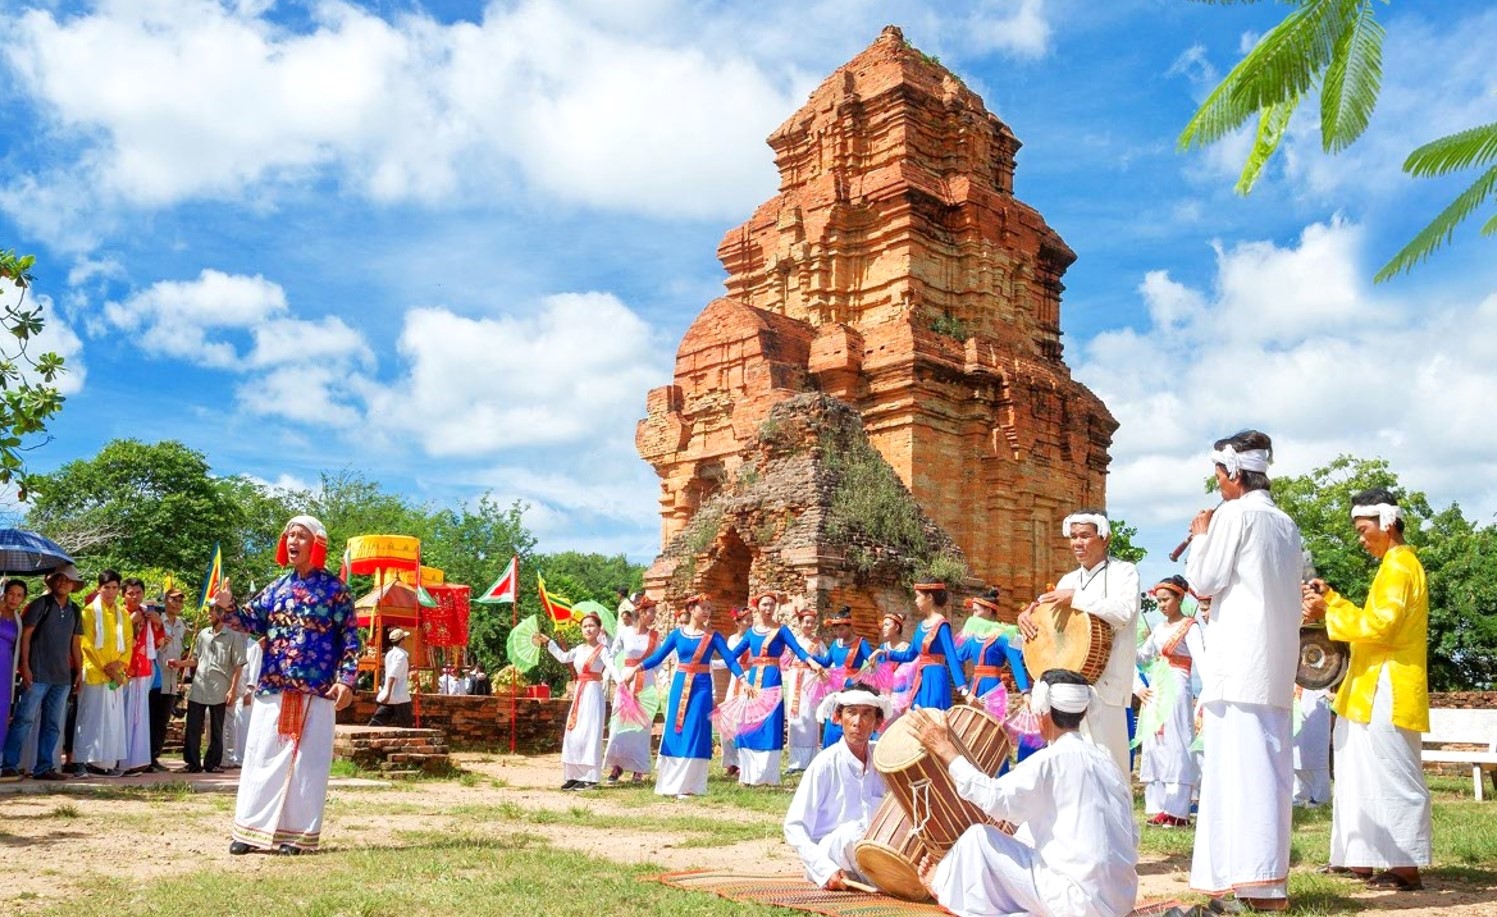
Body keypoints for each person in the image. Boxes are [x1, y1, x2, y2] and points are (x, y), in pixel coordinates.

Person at [1185, 430, 1303, 911]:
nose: (1216, 484)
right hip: (1272, 664)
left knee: (1240, 775)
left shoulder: (1234, 515)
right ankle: (1259, 884)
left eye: (1217, 474)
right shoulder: (1286, 522)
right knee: (1266, 774)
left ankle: (1256, 887)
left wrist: (1200, 538)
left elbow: (1203, 580)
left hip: (1238, 663)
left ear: (1234, 473)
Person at [911, 669, 1139, 917]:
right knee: (1024, 836)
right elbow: (1131, 835)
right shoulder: (1107, 762)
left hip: (1076, 903)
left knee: (979, 839)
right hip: (1120, 901)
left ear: (1044, 712)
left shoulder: (1050, 759)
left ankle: (942, 885)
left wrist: (945, 749)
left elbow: (993, 798)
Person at [1303, 489, 1432, 891]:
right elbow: (1370, 621)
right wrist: (1334, 601)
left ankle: (1404, 865)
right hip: (1368, 685)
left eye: (1364, 530)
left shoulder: (1401, 566)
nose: (1361, 539)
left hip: (1389, 684)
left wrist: (1330, 610)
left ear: (1388, 523)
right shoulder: (1391, 566)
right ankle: (1358, 859)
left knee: (1392, 774)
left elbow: (1381, 628)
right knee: (1356, 771)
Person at [216, 514, 361, 855]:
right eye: (289, 535)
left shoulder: (336, 591)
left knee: (306, 766)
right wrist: (228, 607)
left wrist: (347, 681)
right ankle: (250, 830)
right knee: (261, 757)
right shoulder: (277, 587)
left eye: (301, 535)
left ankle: (295, 836)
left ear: (317, 545)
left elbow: (351, 641)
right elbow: (249, 621)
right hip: (274, 687)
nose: (293, 540)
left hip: (316, 689)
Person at [1021, 510, 1140, 779]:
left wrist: (1076, 596)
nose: (1078, 542)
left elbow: (1123, 612)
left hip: (1107, 688)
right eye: (1074, 536)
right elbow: (1049, 627)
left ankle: (1115, 822)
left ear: (1105, 537)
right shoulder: (1068, 580)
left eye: (1085, 536)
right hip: (1066, 692)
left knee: (1109, 769)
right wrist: (1027, 618)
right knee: (1069, 770)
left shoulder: (1125, 572)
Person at [621, 595, 747, 798]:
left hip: (702, 686)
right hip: (680, 684)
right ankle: (671, 784)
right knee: (676, 728)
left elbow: (730, 658)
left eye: (709, 608)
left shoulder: (713, 636)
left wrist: (743, 678)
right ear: (691, 609)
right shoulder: (677, 635)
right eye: (702, 608)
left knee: (696, 729)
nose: (706, 612)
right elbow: (658, 657)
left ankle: (690, 785)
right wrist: (635, 669)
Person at [783, 686, 889, 889]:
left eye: (866, 714)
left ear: (878, 722)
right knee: (852, 833)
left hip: (874, 853)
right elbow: (794, 826)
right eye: (851, 712)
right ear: (838, 718)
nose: (858, 722)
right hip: (831, 854)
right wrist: (824, 869)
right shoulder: (824, 764)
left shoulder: (883, 759)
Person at [0, 567, 84, 781]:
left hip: (62, 677)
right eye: (60, 579)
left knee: (53, 724)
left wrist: (79, 671)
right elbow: (25, 637)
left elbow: (76, 644)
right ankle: (9, 765)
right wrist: (25, 667)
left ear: (74, 586)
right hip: (37, 672)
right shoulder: (41, 604)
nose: (63, 583)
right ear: (53, 582)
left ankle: (44, 767)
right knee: (23, 720)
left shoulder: (75, 610)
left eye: (68, 581)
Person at [732, 592, 823, 786]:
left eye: (772, 605)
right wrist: (741, 677)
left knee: (770, 722)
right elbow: (731, 655)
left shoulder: (781, 631)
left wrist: (812, 663)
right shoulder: (751, 633)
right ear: (757, 607)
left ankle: (767, 776)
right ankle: (747, 774)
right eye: (764, 605)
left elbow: (798, 650)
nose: (768, 608)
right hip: (752, 681)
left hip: (772, 679)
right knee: (750, 723)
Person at [1136, 575, 1205, 827]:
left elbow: (1202, 661)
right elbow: (1143, 656)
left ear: (1179, 598)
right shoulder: (1158, 628)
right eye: (1158, 600)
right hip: (1157, 684)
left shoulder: (1191, 627)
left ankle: (1179, 810)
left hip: (1177, 682)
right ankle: (1160, 805)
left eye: (1166, 600)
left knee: (1177, 741)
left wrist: (1207, 694)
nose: (1162, 605)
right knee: (1155, 742)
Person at [536, 611, 616, 790]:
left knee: (590, 732)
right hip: (580, 692)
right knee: (574, 733)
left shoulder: (603, 650)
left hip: (593, 693)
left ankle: (590, 777)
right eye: (585, 626)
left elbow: (612, 667)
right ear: (581, 630)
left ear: (598, 629)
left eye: (592, 626)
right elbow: (564, 658)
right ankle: (573, 775)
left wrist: (624, 683)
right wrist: (549, 642)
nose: (588, 629)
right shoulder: (579, 649)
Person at [75, 570, 132, 777]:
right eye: (106, 587)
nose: (110, 592)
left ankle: (105, 764)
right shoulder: (88, 612)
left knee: (112, 720)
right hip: (94, 672)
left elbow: (128, 643)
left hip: (115, 674)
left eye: (114, 587)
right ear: (99, 588)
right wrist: (107, 668)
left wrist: (119, 666)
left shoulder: (123, 614)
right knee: (89, 717)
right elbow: (87, 644)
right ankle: (82, 761)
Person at [877, 583, 967, 711]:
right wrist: (885, 653)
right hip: (920, 679)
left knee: (932, 717)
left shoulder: (942, 625)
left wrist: (963, 689)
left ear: (929, 597)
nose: (916, 600)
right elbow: (909, 654)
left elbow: (952, 658)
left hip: (935, 678)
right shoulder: (921, 626)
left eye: (918, 596)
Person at [181, 605, 245, 774]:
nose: (209, 615)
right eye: (208, 611)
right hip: (199, 686)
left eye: (212, 611)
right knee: (193, 726)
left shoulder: (233, 637)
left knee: (217, 728)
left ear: (222, 614)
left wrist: (232, 690)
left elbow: (238, 666)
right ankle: (192, 763)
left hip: (220, 688)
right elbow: (196, 659)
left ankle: (212, 763)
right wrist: (179, 664)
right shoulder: (203, 634)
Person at [603, 594, 658, 783]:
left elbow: (658, 662)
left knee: (642, 726)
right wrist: (618, 676)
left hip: (646, 682)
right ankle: (616, 766)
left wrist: (663, 682)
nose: (653, 616)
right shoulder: (625, 632)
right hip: (626, 681)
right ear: (641, 613)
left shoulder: (655, 636)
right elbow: (609, 655)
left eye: (655, 613)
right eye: (651, 612)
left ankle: (638, 769)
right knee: (620, 724)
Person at [121, 578, 164, 775]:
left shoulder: (147, 615)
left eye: (138, 592)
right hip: (122, 671)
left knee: (139, 716)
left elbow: (158, 643)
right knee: (122, 715)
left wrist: (157, 623)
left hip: (143, 669)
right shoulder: (119, 613)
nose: (134, 596)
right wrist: (130, 624)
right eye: (130, 593)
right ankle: (120, 761)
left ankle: (137, 760)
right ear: (124, 595)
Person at [815, 608, 871, 749]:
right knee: (833, 721)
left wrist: (876, 659)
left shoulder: (860, 643)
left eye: (841, 629)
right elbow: (827, 661)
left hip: (853, 686)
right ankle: (830, 751)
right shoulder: (835, 644)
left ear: (850, 627)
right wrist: (809, 658)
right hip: (836, 686)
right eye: (836, 630)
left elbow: (872, 660)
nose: (839, 633)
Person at [150, 587, 189, 771]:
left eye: (180, 601)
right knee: (152, 718)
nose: (177, 604)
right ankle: (147, 756)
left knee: (163, 720)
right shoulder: (158, 620)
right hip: (156, 677)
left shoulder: (181, 624)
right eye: (174, 600)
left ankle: (155, 756)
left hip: (173, 678)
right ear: (165, 600)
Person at [784, 606, 825, 775]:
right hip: (795, 679)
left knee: (809, 716)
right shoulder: (794, 641)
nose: (809, 625)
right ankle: (795, 761)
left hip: (810, 680)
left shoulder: (818, 642)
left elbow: (826, 659)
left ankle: (810, 760)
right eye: (806, 622)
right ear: (800, 623)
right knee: (795, 717)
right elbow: (785, 660)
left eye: (812, 623)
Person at [717, 605, 752, 778]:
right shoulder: (731, 639)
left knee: (744, 721)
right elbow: (728, 660)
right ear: (738, 622)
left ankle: (744, 761)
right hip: (735, 681)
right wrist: (712, 665)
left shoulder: (754, 638)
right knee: (727, 721)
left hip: (749, 680)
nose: (750, 623)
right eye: (747, 620)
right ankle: (731, 761)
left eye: (751, 620)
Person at [225, 634, 266, 766]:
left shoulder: (253, 646)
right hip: (232, 689)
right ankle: (230, 755)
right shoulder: (231, 643)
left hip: (246, 692)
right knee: (231, 723)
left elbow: (255, 670)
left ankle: (242, 757)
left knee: (243, 723)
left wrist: (250, 690)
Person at [0, 580, 28, 773]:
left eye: (19, 595)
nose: (14, 598)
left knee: (2, 714)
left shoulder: (18, 620)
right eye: (11, 593)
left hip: (5, 670)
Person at [1291, 685, 1332, 807]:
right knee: (1297, 753)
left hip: (1318, 699)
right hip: (1297, 701)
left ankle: (1319, 796)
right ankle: (1299, 794)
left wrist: (1324, 693)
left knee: (1317, 749)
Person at [369, 628, 413, 727]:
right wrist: (388, 693)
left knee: (378, 722)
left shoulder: (390, 654)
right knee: (406, 725)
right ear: (402, 640)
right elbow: (393, 675)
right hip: (400, 696)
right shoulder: (401, 656)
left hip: (391, 695)